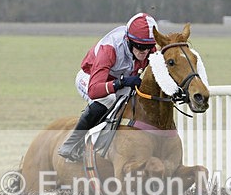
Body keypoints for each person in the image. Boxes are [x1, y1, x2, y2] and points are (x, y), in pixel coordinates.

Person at [57, 12, 158, 162]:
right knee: (108, 99)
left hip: (119, 80)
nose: (144, 52)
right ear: (128, 40)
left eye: (148, 47)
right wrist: (121, 82)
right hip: (90, 78)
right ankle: (71, 144)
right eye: (139, 46)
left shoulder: (150, 50)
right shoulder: (110, 49)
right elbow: (94, 90)